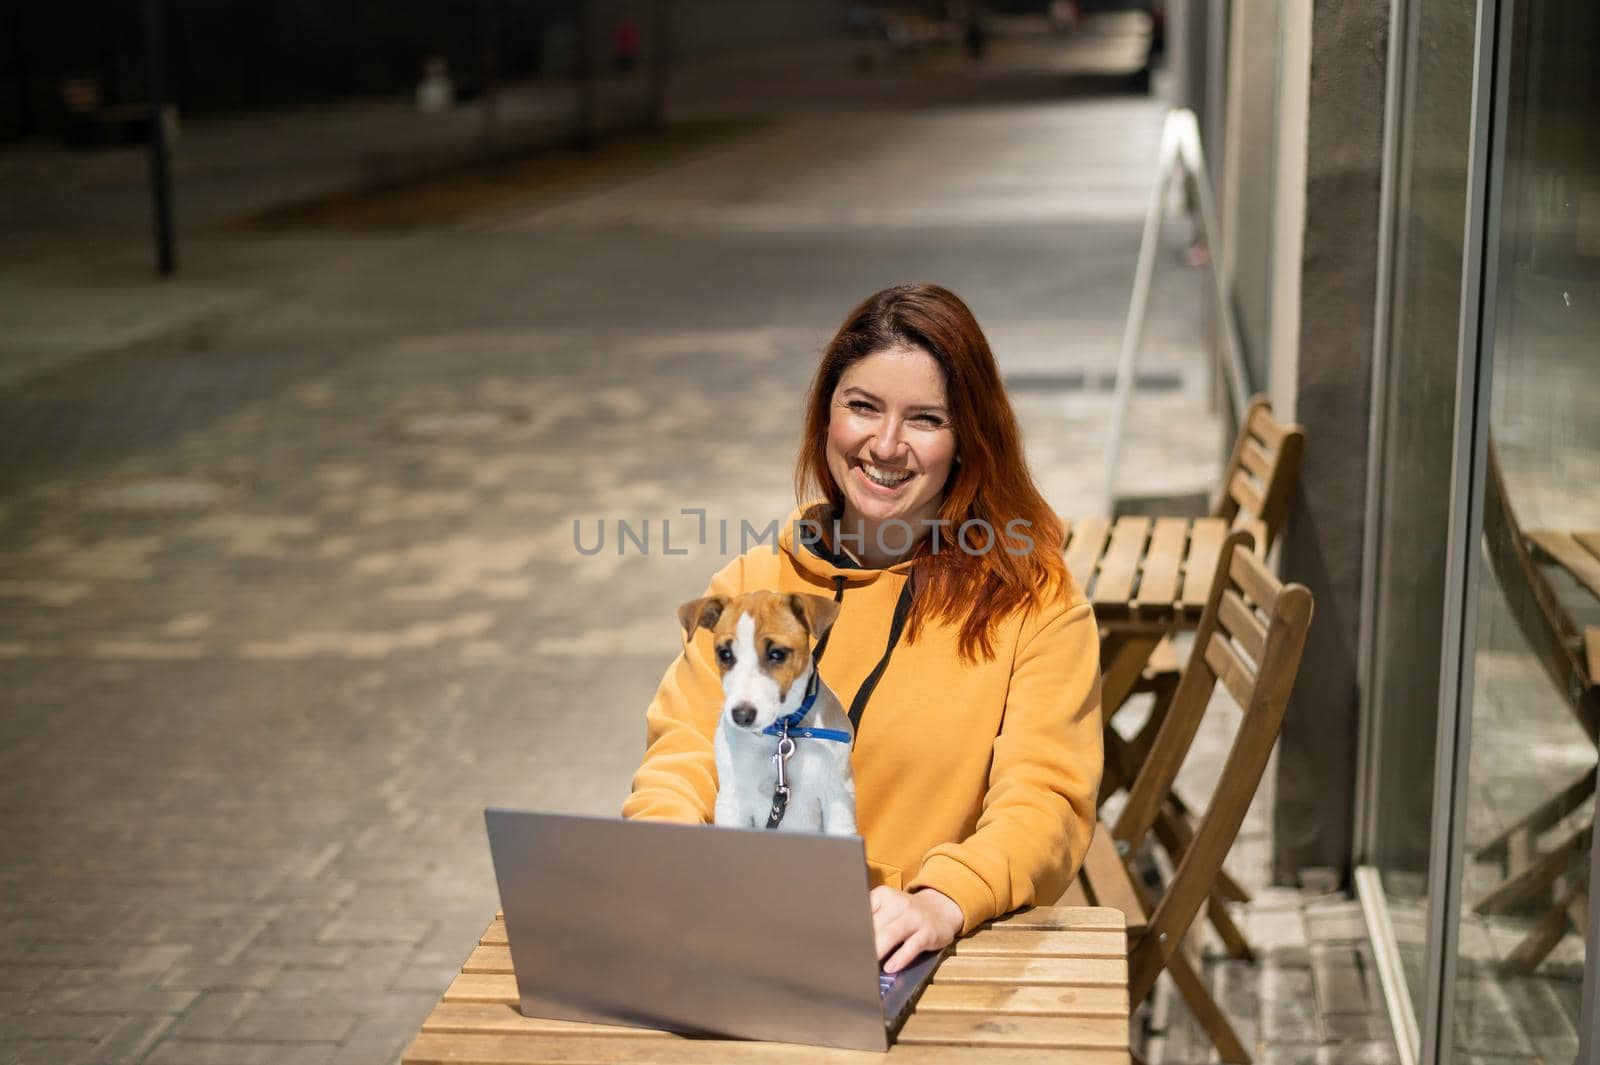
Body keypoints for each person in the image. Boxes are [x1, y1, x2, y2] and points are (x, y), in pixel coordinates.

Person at [622, 284, 1102, 973]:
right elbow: (686, 752)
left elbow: (1046, 796)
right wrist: (673, 858)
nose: (886, 444)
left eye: (926, 418)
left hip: (913, 952)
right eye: (863, 406)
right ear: (826, 418)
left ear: (969, 439)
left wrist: (945, 899)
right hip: (741, 935)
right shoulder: (750, 585)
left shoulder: (1032, 601)